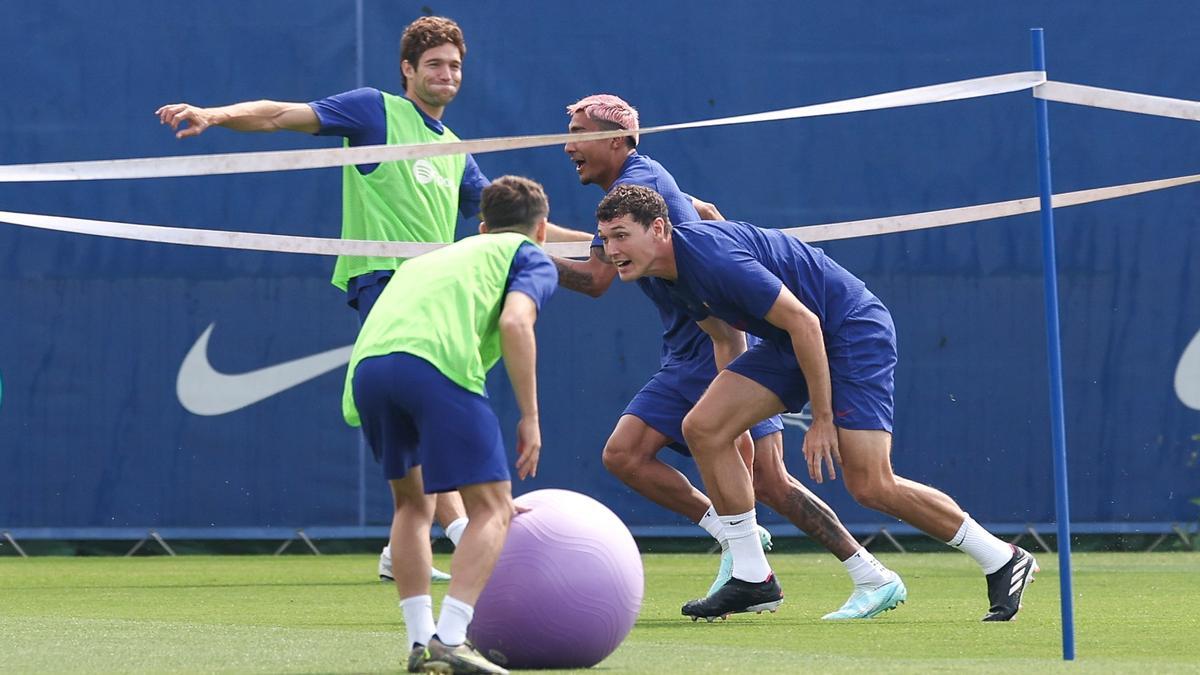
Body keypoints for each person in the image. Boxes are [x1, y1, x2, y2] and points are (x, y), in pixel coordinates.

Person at [156, 16, 590, 585]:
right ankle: (464, 534)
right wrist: (214, 114)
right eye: (434, 64)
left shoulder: (457, 148)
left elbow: (517, 220)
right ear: (407, 69)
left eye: (455, 65)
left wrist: (595, 242)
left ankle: (403, 545)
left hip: (438, 293)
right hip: (384, 284)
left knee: (427, 413)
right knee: (434, 404)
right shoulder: (373, 111)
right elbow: (279, 114)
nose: (447, 74)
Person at [595, 184, 1039, 622]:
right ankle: (752, 577)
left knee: (870, 484)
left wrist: (821, 419)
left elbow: (806, 322)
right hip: (787, 342)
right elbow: (726, 337)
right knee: (704, 428)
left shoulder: (710, 258)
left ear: (657, 228)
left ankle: (1001, 557)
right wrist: (731, 416)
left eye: (620, 235)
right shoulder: (661, 276)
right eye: (605, 237)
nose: (610, 249)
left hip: (850, 330)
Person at [555, 95, 905, 619]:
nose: (567, 145)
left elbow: (596, 276)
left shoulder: (643, 184)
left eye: (579, 133)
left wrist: (518, 251)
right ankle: (749, 550)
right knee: (639, 457)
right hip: (695, 343)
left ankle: (779, 565)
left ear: (617, 140)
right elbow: (703, 212)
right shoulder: (643, 184)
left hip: (710, 342)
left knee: (766, 477)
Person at [343, 175, 556, 674]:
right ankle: (453, 637)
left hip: (369, 368)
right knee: (494, 508)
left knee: (412, 507)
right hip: (433, 365)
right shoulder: (529, 255)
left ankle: (421, 643)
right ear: (542, 229)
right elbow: (515, 323)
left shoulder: (433, 257)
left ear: (482, 227)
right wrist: (530, 416)